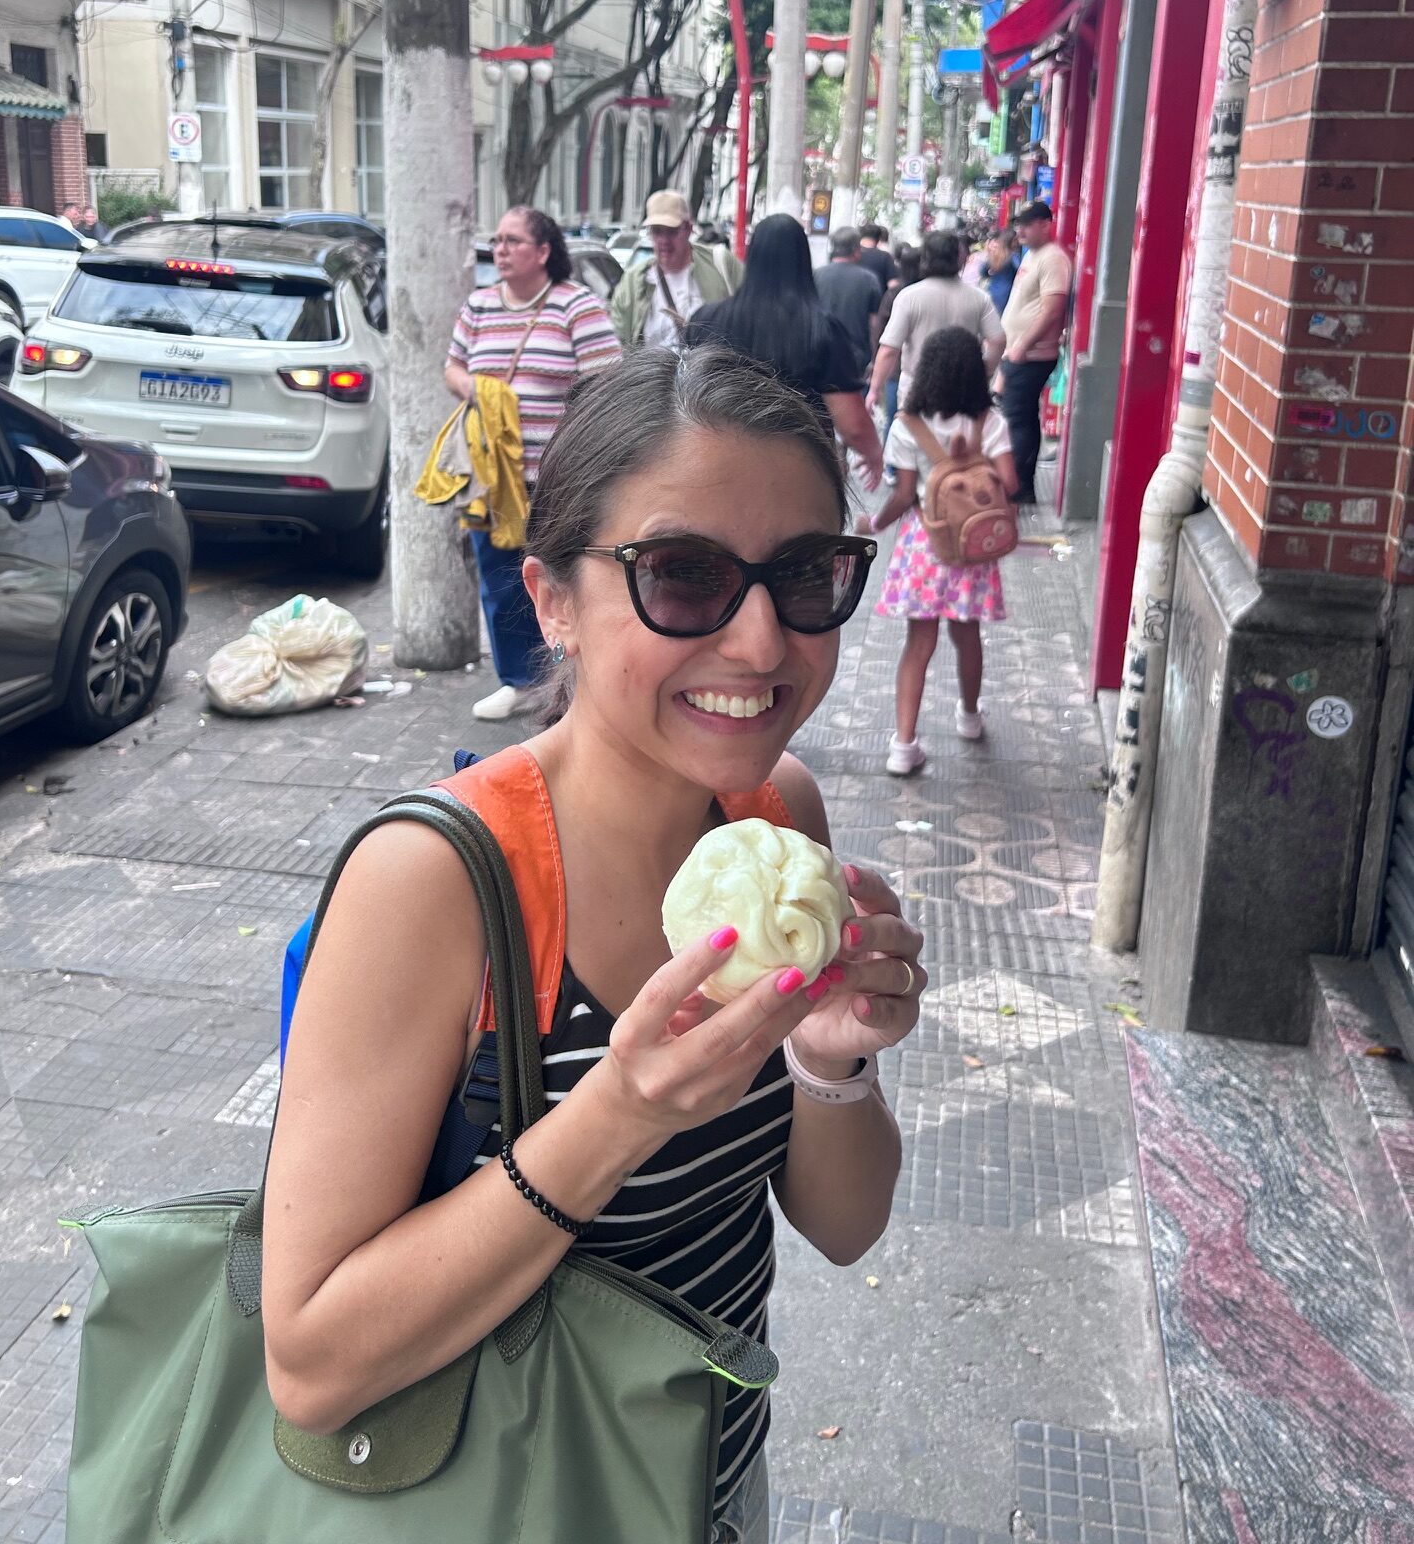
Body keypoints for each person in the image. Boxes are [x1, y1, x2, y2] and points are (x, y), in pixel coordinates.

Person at [262, 347, 927, 1544]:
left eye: (805, 575)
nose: (762, 643)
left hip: (709, 1486)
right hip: (499, 1505)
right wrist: (620, 1111)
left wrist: (832, 1062)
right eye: (683, 576)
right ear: (553, 600)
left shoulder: (778, 813)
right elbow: (310, 1364)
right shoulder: (432, 883)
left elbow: (843, 1228)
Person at [447, 205, 620, 721]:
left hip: (558, 479)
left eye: (512, 241)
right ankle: (518, 682)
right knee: (501, 581)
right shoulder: (479, 306)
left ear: (543, 251)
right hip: (495, 476)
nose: (499, 250)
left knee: (566, 578)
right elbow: (452, 367)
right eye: (497, 240)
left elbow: (606, 382)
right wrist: (479, 391)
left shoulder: (576, 305)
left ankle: (574, 680)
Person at [857, 326, 1017, 777]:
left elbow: (904, 494)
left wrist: (875, 524)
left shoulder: (908, 425)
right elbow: (1010, 481)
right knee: (967, 634)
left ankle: (904, 745)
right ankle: (969, 716)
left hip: (925, 545)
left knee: (918, 643)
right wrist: (975, 472)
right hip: (972, 547)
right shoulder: (990, 422)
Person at [687, 213, 882, 489]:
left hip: (717, 467)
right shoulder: (822, 329)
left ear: (752, 257)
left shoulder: (705, 321)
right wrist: (874, 454)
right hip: (796, 475)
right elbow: (852, 423)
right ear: (803, 260)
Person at [867, 227, 1005, 417]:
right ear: (959, 258)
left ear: (925, 258)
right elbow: (998, 340)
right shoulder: (979, 298)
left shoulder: (909, 297)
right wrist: (984, 373)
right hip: (961, 388)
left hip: (915, 389)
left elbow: (889, 349)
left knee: (913, 434)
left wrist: (874, 389)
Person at [1000, 200, 1073, 505]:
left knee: (1017, 419)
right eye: (1018, 225)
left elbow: (1052, 309)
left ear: (1045, 224)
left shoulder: (1053, 258)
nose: (1021, 230)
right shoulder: (1033, 255)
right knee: (1020, 417)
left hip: (1031, 355)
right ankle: (1019, 486)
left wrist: (1023, 345)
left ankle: (1017, 488)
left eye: (1027, 224)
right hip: (1018, 353)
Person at [610, 189, 733, 350]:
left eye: (672, 231)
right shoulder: (633, 282)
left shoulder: (720, 264)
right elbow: (618, 341)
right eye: (657, 231)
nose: (664, 240)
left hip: (710, 365)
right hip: (652, 367)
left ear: (688, 229)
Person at [812, 225, 884, 385]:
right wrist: (874, 359)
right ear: (856, 250)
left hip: (820, 353)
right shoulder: (869, 280)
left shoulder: (816, 275)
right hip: (855, 357)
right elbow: (874, 324)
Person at [876, 244, 922, 448]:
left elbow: (880, 332)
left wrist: (876, 366)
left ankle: (891, 460)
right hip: (924, 368)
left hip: (896, 368)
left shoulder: (895, 294)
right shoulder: (924, 293)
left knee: (894, 419)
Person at [979, 229, 1021, 317]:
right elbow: (1019, 270)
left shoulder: (994, 255)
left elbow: (982, 272)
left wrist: (991, 274)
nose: (1018, 242)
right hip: (1007, 293)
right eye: (1015, 240)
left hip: (992, 290)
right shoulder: (1013, 256)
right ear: (1010, 241)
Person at [856, 221, 894, 294]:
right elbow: (893, 285)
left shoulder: (852, 256)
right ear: (879, 239)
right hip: (878, 299)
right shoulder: (885, 257)